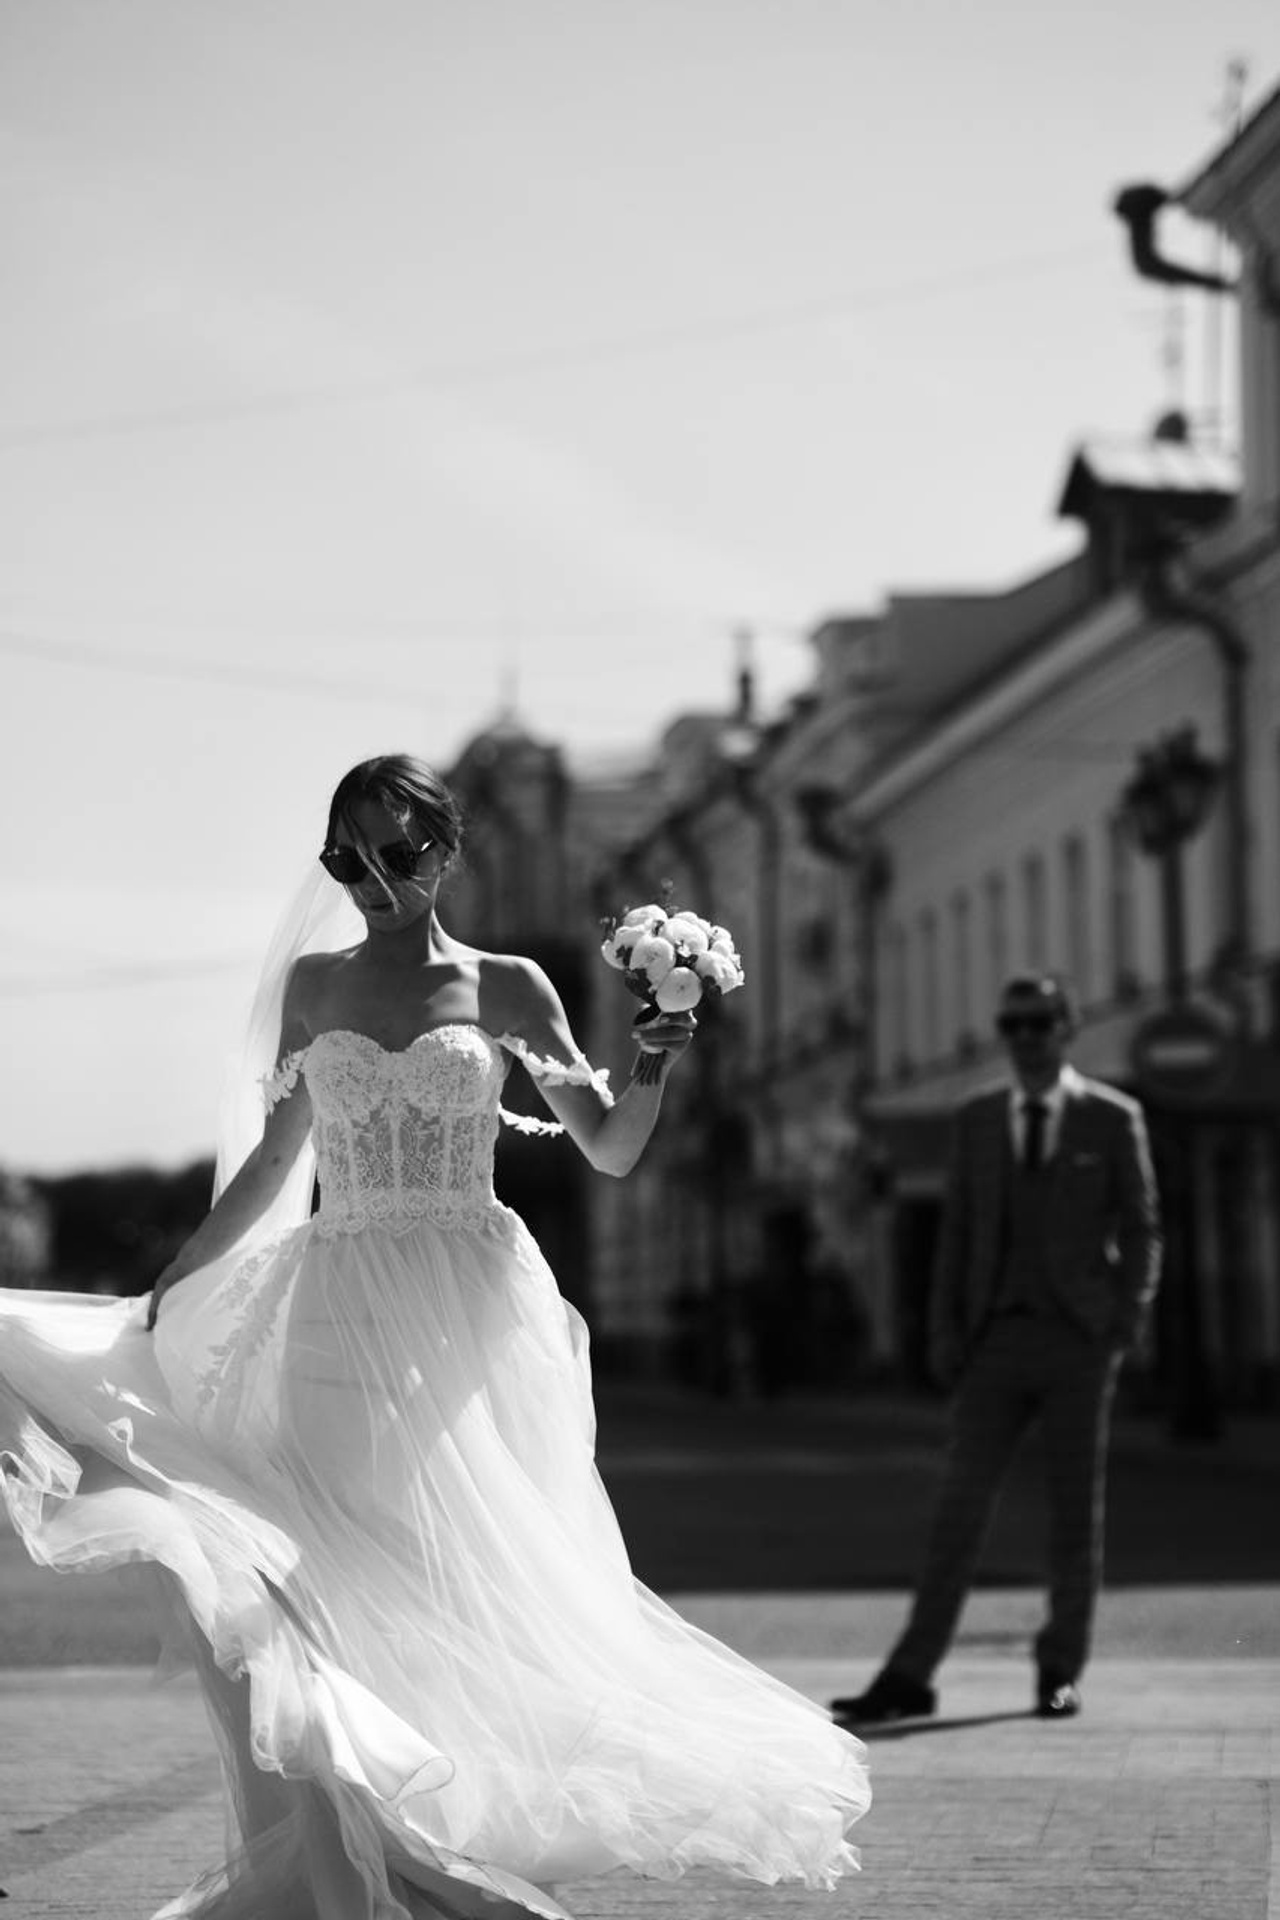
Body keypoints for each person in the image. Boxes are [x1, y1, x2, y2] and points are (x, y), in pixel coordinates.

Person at [0, 754, 868, 1920]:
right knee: (326, 1564)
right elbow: (272, 1165)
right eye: (343, 857)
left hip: (470, 1306)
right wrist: (174, 1279)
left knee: (462, 1570)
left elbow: (607, 1146)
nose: (367, 878)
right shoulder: (313, 985)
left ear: (447, 854)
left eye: (395, 854)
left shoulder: (509, 986)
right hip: (337, 1296)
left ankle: (443, 1832)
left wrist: (653, 1062)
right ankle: (365, 1844)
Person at [832, 972, 1161, 1726]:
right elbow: (958, 1233)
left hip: (1079, 1341)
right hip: (994, 1341)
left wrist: (1125, 1320)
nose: (1027, 1038)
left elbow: (1143, 1225)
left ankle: (1059, 1668)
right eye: (1014, 1025)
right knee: (959, 1509)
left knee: (1077, 1513)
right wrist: (946, 1331)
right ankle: (911, 1675)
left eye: (1041, 1023)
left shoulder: (1113, 1119)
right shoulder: (978, 1118)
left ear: (1066, 1028)